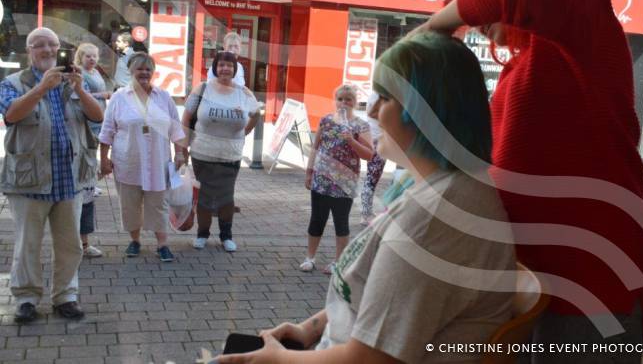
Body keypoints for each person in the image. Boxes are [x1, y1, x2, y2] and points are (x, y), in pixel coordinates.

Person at [414, 0, 643, 361]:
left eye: (474, 1)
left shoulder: (585, 25)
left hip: (594, 285)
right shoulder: (519, 69)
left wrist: (431, 28)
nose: (475, 20)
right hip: (536, 287)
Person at [213, 32, 515, 364]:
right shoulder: (437, 187)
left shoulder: (436, 217)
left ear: (425, 110)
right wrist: (310, 328)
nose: (370, 109)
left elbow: (370, 358)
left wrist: (277, 359)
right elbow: (372, 293)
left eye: (384, 97)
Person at [0, 27, 103, 323]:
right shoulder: (12, 83)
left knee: (70, 244)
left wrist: (81, 90)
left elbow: (97, 116)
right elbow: (12, 115)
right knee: (27, 244)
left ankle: (66, 297)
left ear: (59, 49)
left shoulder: (72, 83)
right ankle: (26, 299)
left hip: (69, 180)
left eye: (52, 45)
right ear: (29, 51)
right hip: (29, 181)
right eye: (39, 45)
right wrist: (41, 88)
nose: (46, 50)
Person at [99, 52, 186, 262]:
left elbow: (175, 127)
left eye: (148, 69)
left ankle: (162, 244)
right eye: (140, 69)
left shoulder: (163, 97)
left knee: (159, 204)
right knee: (130, 204)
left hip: (158, 160)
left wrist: (180, 152)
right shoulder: (119, 97)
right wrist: (104, 159)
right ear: (131, 71)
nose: (144, 73)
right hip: (127, 161)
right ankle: (135, 241)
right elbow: (107, 130)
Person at [181, 51, 260, 252]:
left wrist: (245, 132)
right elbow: (186, 117)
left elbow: (256, 114)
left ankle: (226, 235)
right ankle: (202, 234)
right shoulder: (203, 89)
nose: (226, 69)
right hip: (202, 153)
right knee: (204, 197)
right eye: (222, 65)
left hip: (230, 155)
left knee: (226, 197)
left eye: (230, 66)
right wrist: (182, 147)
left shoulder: (244, 93)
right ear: (215, 68)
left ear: (235, 70)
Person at [300, 84, 373, 275]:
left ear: (355, 102)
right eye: (340, 99)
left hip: (345, 183)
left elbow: (369, 154)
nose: (344, 103)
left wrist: (351, 140)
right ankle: (310, 258)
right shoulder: (326, 121)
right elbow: (315, 148)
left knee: (341, 221)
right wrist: (309, 172)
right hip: (321, 179)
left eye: (348, 99)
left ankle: (338, 262)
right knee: (317, 219)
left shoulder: (360, 125)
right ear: (335, 100)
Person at [74, 42, 110, 258]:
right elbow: (80, 98)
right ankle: (75, 244)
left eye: (94, 56)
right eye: (87, 56)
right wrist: (102, 95)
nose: (92, 59)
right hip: (83, 126)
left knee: (86, 194)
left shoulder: (94, 72)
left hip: (98, 122)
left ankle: (84, 244)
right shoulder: (77, 75)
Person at [359, 91, 387, 226]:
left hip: (375, 139)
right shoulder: (379, 97)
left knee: (372, 178)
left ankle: (367, 212)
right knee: (371, 179)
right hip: (377, 141)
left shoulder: (374, 95)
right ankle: (365, 214)